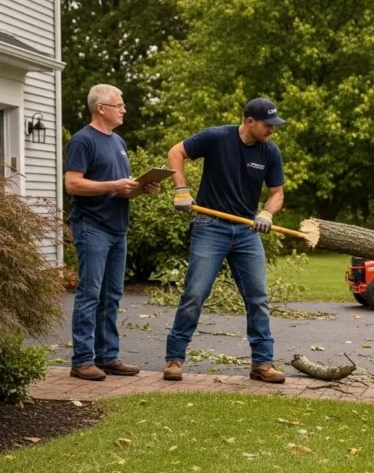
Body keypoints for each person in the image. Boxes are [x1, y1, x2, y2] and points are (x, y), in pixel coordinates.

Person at [162, 97, 287, 383]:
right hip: (210, 226)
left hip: (247, 231)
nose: (272, 130)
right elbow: (175, 152)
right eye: (268, 125)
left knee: (258, 298)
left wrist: (267, 213)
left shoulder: (270, 152)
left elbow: (277, 193)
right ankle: (174, 359)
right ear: (249, 121)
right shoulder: (216, 137)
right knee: (195, 294)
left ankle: (262, 363)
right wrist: (181, 189)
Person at [64, 84, 160, 381]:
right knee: (90, 294)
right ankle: (82, 360)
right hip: (92, 226)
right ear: (101, 108)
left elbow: (118, 186)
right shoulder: (83, 140)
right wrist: (115, 185)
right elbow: (73, 184)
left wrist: (142, 188)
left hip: (118, 227)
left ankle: (107, 357)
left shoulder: (118, 141)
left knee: (112, 295)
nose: (124, 109)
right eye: (119, 105)